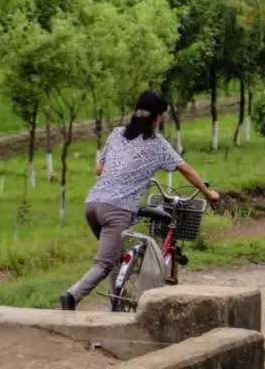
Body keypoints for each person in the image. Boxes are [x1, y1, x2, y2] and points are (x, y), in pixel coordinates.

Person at [60, 91, 220, 311]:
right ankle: (72, 296)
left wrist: (121, 171)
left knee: (115, 255)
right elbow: (187, 170)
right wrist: (208, 193)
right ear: (156, 118)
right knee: (105, 263)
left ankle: (115, 305)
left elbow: (99, 169)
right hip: (117, 209)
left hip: (93, 204)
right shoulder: (158, 144)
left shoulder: (117, 133)